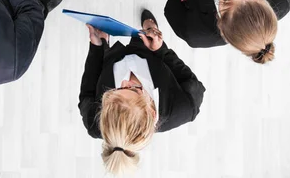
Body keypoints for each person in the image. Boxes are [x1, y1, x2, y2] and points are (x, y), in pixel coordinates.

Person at [79, 10, 205, 175]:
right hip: (150, 53)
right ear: (152, 113)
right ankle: (150, 27)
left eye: (116, 90)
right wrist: (161, 50)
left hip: (112, 57)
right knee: (149, 30)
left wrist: (98, 46)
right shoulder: (184, 109)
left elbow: (87, 93)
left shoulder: (96, 123)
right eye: (133, 89)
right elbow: (191, 82)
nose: (124, 81)